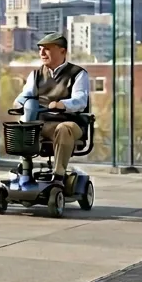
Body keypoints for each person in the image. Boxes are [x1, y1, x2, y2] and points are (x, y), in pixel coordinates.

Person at [14, 33, 89, 189]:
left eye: (47, 49)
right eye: (40, 49)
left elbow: (81, 101)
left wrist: (62, 104)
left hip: (71, 124)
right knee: (24, 126)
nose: (42, 53)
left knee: (64, 128)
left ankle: (59, 176)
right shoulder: (35, 75)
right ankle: (25, 172)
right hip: (43, 124)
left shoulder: (77, 74)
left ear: (62, 51)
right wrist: (19, 103)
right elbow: (25, 96)